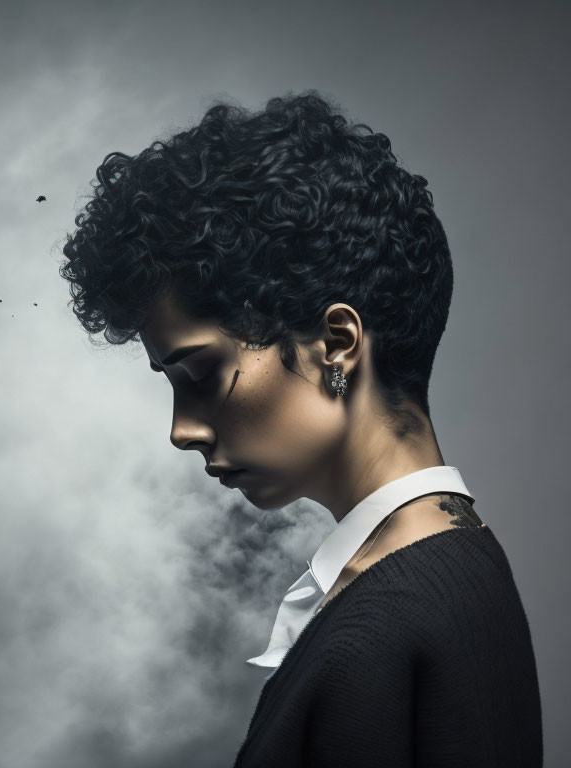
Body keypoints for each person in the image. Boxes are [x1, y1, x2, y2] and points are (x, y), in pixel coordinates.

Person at [59, 91, 543, 766]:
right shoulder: (462, 561)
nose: (182, 431)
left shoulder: (383, 631)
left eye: (200, 372)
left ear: (336, 345)